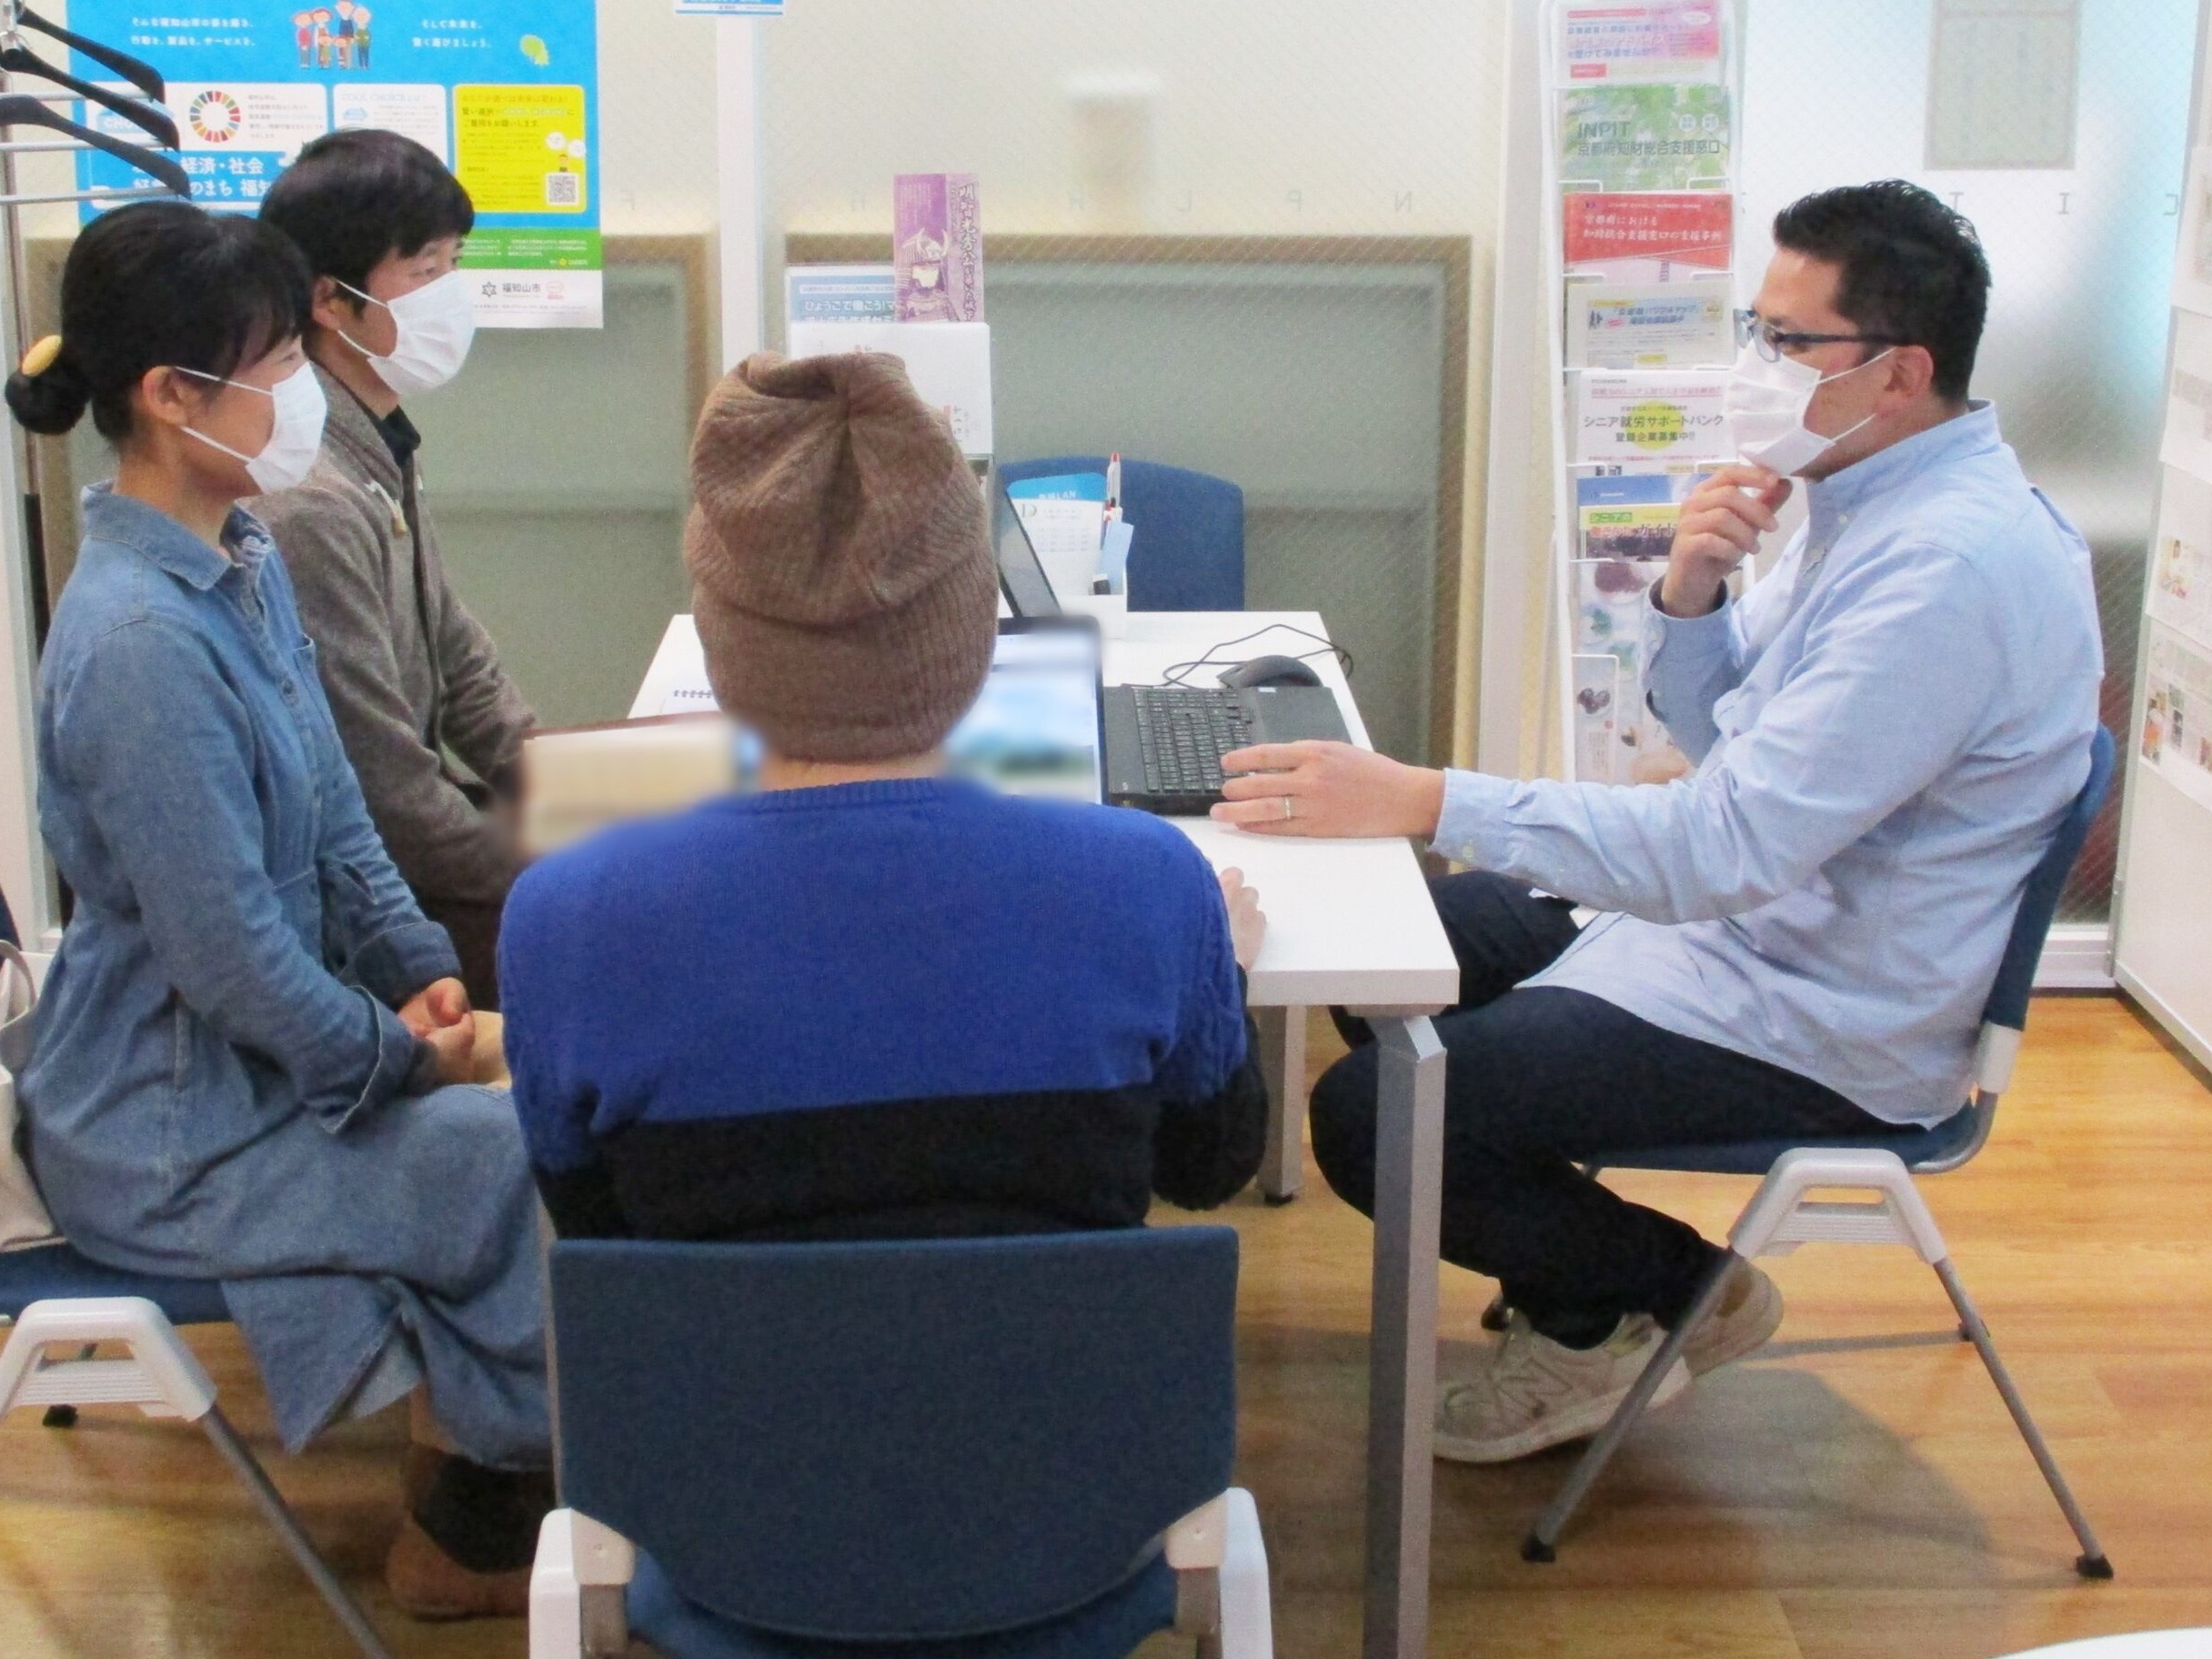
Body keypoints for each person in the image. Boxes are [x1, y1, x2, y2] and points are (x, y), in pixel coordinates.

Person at [1208, 180, 2103, 1463]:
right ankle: (1578, 1275)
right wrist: (1693, 593)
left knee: (1373, 1115)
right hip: (1754, 920)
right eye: (1755, 328)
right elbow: (1733, 745)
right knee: (1395, 952)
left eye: (1787, 341)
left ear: (1899, 373)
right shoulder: (1863, 495)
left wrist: (1426, 796)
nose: (1755, 366)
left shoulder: (1948, 568)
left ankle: (1656, 1297)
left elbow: (1722, 846)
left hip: (1820, 1002)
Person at [7, 200, 550, 1616]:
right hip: (166, 1129)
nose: (303, 391)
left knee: (552, 1095)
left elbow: (341, 815)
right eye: (277, 366)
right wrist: (400, 1058)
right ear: (172, 397)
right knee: (523, 1152)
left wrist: (419, 968)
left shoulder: (239, 564)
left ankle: (481, 1483)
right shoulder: (139, 644)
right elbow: (231, 958)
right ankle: (474, 1538)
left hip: (246, 1076)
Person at [501, 350, 1269, 1243]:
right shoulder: (1150, 882)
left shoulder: (565, 918)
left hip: (719, 1343)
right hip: (1055, 1339)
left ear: (721, 648)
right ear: (970, 636)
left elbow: (592, 1220)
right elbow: (1207, 1169)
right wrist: (1219, 967)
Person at [257, 129, 534, 1010]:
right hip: (364, 903)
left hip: (416, 848)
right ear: (329, 302)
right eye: (424, 271)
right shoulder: (309, 499)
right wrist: (556, 868)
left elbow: (459, 657)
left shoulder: (377, 440)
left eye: (455, 264)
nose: (450, 292)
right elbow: (389, 796)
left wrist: (574, 791)